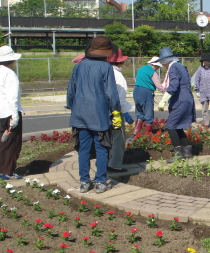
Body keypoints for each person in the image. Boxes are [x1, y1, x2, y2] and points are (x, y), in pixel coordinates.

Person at [66, 36, 121, 193]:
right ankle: (100, 182)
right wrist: (115, 111)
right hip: (99, 114)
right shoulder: (106, 67)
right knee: (102, 147)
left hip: (80, 114)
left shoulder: (78, 67)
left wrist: (72, 106)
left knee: (83, 148)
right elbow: (111, 93)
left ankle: (84, 182)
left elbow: (71, 91)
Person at [156, 47, 196, 162]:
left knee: (170, 125)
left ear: (165, 60)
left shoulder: (173, 67)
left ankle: (178, 153)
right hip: (187, 98)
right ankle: (187, 152)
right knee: (178, 127)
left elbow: (173, 85)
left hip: (180, 100)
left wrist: (163, 100)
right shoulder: (180, 66)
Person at [0, 45, 23, 180]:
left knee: (3, 142)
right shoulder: (10, 74)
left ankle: (0, 170)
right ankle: (8, 171)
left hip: (1, 112)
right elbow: (13, 97)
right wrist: (15, 116)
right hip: (11, 112)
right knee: (13, 143)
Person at [106, 47, 134, 173]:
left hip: (104, 112)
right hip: (116, 112)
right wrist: (125, 113)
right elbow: (120, 97)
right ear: (119, 62)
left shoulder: (104, 71)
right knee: (118, 138)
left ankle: (106, 161)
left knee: (107, 138)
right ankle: (115, 164)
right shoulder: (118, 75)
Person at [132, 56, 165, 137]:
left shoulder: (141, 69)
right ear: (155, 65)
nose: (158, 68)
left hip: (136, 90)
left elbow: (137, 80)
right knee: (148, 113)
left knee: (139, 112)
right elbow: (158, 85)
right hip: (146, 92)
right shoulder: (153, 73)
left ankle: (136, 132)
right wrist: (166, 92)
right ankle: (148, 134)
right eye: (158, 67)